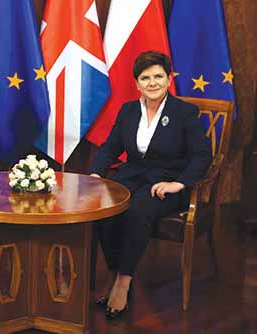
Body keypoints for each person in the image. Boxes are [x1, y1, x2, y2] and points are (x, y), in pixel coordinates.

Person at [90, 51, 212, 319]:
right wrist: (97, 174)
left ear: (169, 79)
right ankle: (112, 273)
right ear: (137, 84)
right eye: (145, 78)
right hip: (131, 176)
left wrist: (179, 183)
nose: (152, 82)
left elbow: (203, 155)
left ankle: (124, 281)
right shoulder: (129, 110)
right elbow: (110, 146)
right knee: (105, 208)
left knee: (137, 210)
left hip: (167, 183)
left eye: (158, 76)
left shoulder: (185, 112)